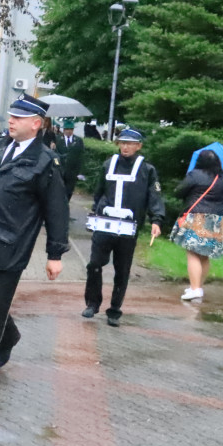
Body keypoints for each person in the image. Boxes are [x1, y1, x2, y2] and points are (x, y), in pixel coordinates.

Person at [0, 94, 69, 389]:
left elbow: (56, 209)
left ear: (36, 124)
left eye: (19, 118)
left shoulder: (44, 161)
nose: (11, 120)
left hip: (13, 245)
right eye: (11, 115)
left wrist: (55, 253)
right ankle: (10, 337)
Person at [83, 128, 164, 326]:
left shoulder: (147, 170)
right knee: (94, 264)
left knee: (122, 269)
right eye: (122, 142)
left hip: (128, 228)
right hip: (105, 223)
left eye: (130, 143)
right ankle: (92, 304)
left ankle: (114, 310)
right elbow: (98, 190)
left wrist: (157, 220)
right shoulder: (108, 164)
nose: (125, 147)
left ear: (139, 146)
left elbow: (154, 196)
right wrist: (96, 210)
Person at [171, 149, 223, 301]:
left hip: (198, 216)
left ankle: (195, 288)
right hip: (218, 218)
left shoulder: (195, 175)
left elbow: (178, 192)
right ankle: (197, 287)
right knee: (205, 254)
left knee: (193, 252)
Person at [56, 119, 85, 202]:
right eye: (67, 129)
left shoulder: (78, 141)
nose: (69, 131)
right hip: (60, 171)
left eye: (71, 129)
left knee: (69, 192)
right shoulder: (58, 139)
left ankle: (65, 205)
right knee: (59, 192)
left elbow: (81, 156)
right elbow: (54, 154)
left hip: (72, 172)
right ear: (64, 130)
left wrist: (80, 172)